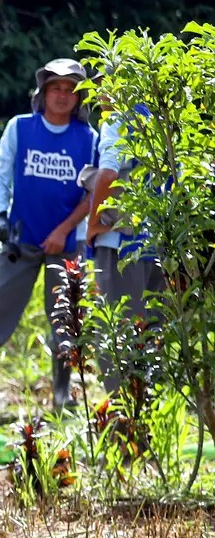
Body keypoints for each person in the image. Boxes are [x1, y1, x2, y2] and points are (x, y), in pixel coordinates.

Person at [0, 59, 97, 416]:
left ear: (79, 98)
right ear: (43, 93)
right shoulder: (20, 128)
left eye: (70, 90)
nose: (62, 95)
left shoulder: (89, 140)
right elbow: (2, 174)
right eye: (55, 88)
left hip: (66, 242)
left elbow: (92, 194)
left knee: (65, 316)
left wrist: (64, 230)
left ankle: (61, 394)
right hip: (20, 237)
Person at [84, 74, 166, 389]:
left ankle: (125, 427)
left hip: (121, 244)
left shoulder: (119, 121)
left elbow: (107, 175)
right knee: (151, 340)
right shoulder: (159, 123)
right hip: (157, 246)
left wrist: (93, 223)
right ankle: (146, 422)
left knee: (118, 339)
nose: (100, 93)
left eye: (104, 83)